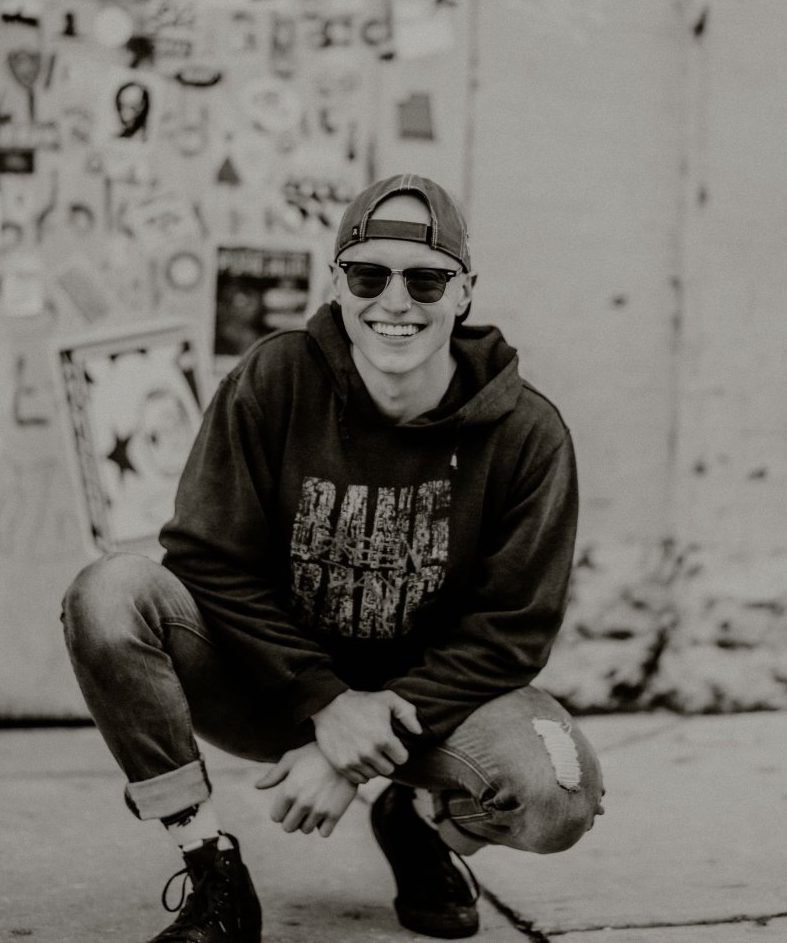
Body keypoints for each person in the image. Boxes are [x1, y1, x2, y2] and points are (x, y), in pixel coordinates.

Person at [62, 173, 604, 943]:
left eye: (425, 279)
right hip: (271, 686)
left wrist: (352, 754)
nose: (395, 301)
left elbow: (512, 631)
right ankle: (210, 863)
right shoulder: (276, 378)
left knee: (559, 794)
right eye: (368, 275)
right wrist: (326, 702)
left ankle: (418, 820)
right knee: (109, 593)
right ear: (339, 284)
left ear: (464, 292)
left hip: (434, 707)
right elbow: (204, 558)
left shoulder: (526, 433)